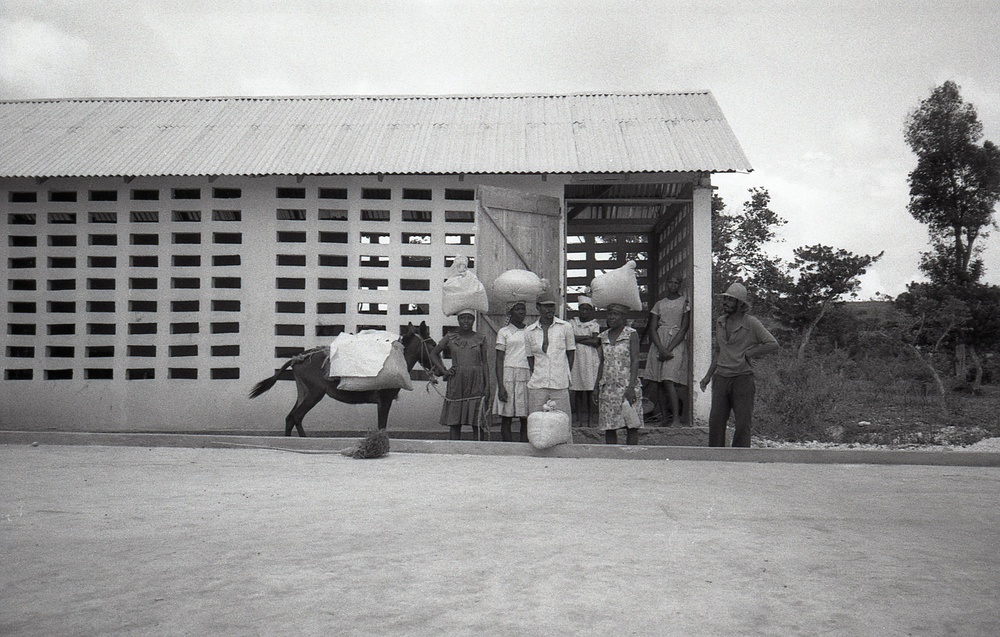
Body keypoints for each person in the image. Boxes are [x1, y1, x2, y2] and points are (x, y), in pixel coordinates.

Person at [699, 282, 779, 447]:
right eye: (726, 299)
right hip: (721, 377)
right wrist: (707, 376)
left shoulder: (751, 323)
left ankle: (740, 460)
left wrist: (750, 353)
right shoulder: (720, 322)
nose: (726, 303)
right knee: (715, 422)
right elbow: (718, 351)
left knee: (742, 424)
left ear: (740, 304)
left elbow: (772, 343)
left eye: (730, 300)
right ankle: (716, 459)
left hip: (742, 379)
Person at [429, 309, 491, 441]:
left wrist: (487, 385)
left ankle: (479, 453)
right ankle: (453, 450)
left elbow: (485, 363)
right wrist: (445, 371)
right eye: (463, 318)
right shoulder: (450, 337)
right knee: (455, 422)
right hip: (457, 381)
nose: (466, 321)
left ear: (474, 320)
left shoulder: (481, 338)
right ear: (458, 319)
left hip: (476, 381)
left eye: (469, 318)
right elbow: (433, 354)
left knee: (478, 421)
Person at [643, 275, 690, 426]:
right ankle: (664, 418)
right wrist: (661, 348)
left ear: (680, 285)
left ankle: (676, 418)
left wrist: (668, 349)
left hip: (675, 342)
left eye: (676, 283)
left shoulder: (684, 303)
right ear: (666, 284)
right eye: (670, 282)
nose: (673, 285)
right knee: (659, 381)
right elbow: (652, 328)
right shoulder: (659, 304)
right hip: (659, 342)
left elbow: (683, 329)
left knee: (669, 380)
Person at [593, 303, 643, 445]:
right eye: (610, 314)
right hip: (608, 388)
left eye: (616, 314)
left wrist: (631, 387)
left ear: (623, 317)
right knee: (609, 426)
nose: (612, 317)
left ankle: (631, 458)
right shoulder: (603, 337)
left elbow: (635, 360)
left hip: (627, 385)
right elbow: (602, 362)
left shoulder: (631, 334)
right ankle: (612, 459)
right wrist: (596, 387)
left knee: (631, 424)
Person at [525, 287, 576, 423]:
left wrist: (563, 373)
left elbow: (571, 353)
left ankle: (565, 445)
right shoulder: (529, 331)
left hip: (559, 384)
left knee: (563, 421)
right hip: (538, 384)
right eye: (546, 307)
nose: (550, 310)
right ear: (538, 307)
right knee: (536, 422)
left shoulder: (565, 327)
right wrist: (538, 373)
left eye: (552, 306)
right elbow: (530, 358)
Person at [493, 301, 531, 442]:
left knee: (525, 417)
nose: (521, 312)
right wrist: (501, 386)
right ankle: (507, 449)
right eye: (518, 309)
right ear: (511, 312)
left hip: (526, 374)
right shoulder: (504, 332)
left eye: (523, 309)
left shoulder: (531, 331)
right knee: (506, 418)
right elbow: (499, 359)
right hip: (508, 375)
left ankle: (524, 449)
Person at [568, 296, 601, 426]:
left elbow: (595, 342)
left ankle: (590, 419)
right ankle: (579, 419)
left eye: (587, 309)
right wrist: (586, 337)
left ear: (591, 311)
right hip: (576, 358)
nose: (584, 312)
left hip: (590, 359)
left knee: (589, 389)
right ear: (578, 309)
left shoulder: (594, 324)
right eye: (582, 309)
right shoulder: (572, 322)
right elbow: (570, 338)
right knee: (577, 390)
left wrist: (578, 338)